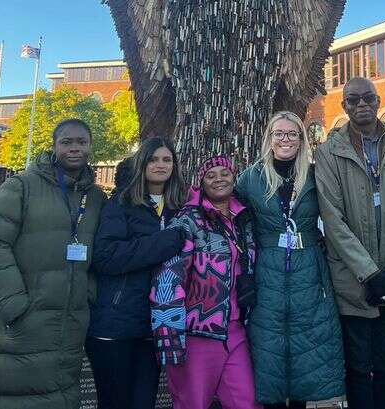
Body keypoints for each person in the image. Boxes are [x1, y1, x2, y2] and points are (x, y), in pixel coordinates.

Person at [314, 77, 385, 409]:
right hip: (353, 282)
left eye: (368, 98)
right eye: (353, 100)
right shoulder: (328, 153)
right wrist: (369, 272)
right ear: (344, 106)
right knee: (358, 370)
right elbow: (331, 218)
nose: (361, 105)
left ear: (378, 101)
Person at [236, 111, 344, 409]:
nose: (285, 139)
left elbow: (336, 216)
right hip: (267, 275)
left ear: (301, 139)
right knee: (268, 355)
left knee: (304, 357)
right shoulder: (251, 178)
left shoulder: (315, 174)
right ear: (269, 139)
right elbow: (238, 228)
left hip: (309, 272)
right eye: (279, 134)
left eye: (292, 134)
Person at [0, 119, 106, 409]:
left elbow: (100, 253)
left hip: (71, 320)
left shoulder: (95, 197)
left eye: (81, 142)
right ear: (54, 145)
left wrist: (88, 294)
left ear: (90, 147)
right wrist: (13, 302)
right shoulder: (21, 186)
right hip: (23, 319)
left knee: (62, 392)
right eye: (66, 142)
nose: (74, 148)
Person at [150, 155, 261, 409]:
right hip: (196, 334)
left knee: (247, 401)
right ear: (201, 182)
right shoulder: (188, 221)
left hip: (235, 331)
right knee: (192, 403)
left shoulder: (243, 218)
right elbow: (168, 277)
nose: (219, 179)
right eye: (211, 175)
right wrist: (168, 335)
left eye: (225, 173)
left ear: (234, 177)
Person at [86, 137, 187, 409]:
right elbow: (105, 257)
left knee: (144, 402)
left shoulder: (182, 207)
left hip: (156, 326)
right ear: (142, 163)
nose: (161, 165)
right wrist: (164, 242)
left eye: (167, 159)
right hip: (116, 322)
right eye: (153, 159)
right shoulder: (121, 203)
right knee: (115, 402)